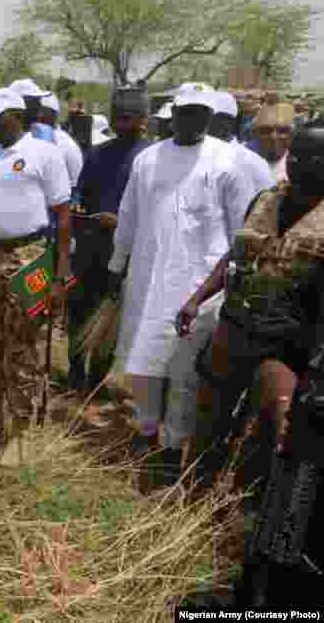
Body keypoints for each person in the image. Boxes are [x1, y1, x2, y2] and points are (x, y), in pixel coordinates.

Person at [108, 89, 260, 488]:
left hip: (199, 290)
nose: (191, 119)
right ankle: (144, 433)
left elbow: (239, 233)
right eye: (184, 112)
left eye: (200, 113)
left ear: (209, 116)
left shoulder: (227, 163)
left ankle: (172, 450)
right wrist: (116, 266)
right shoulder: (147, 159)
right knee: (143, 368)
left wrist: (226, 286)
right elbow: (128, 216)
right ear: (173, 114)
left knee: (183, 374)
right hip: (146, 280)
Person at [182, 118, 324, 498]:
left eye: (314, 158)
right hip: (235, 328)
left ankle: (244, 508)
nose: (300, 164)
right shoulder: (265, 199)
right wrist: (197, 299)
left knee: (271, 429)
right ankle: (194, 492)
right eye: (297, 156)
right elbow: (236, 253)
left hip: (287, 347)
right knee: (209, 417)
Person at [0, 88, 73, 443]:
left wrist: (60, 272)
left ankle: (21, 428)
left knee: (24, 342)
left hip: (31, 255)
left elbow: (63, 216)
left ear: (16, 117)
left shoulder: (45, 154)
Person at [67, 87, 152, 393]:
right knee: (78, 310)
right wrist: (78, 205)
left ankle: (97, 381)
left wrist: (121, 222)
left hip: (126, 252)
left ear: (144, 120)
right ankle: (75, 374)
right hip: (90, 246)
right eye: (118, 118)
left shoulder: (150, 157)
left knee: (110, 318)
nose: (122, 124)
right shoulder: (98, 153)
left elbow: (156, 210)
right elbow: (82, 191)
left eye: (128, 118)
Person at [208, 91, 276, 193]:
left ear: (227, 123)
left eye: (206, 117)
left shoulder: (253, 163)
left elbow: (267, 202)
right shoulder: (194, 155)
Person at [36, 94, 84, 192]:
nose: (38, 116)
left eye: (42, 111)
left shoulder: (67, 145)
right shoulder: (27, 138)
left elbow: (76, 185)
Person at [248, 103, 295, 183]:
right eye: (266, 130)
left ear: (291, 135)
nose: (273, 137)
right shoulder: (243, 163)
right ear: (254, 134)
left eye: (282, 131)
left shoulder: (300, 165)